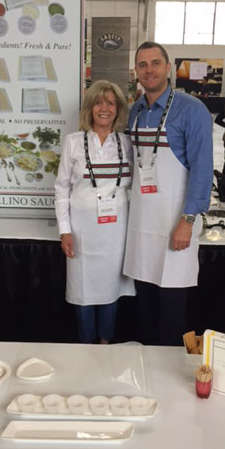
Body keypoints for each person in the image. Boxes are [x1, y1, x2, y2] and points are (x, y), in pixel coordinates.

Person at [123, 41, 213, 346]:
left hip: (176, 222)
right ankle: (148, 369)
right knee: (145, 305)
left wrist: (187, 220)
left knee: (172, 310)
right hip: (142, 224)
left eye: (155, 63)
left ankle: (171, 380)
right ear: (136, 70)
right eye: (143, 64)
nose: (149, 70)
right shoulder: (136, 109)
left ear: (168, 68)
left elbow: (202, 169)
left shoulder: (192, 110)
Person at [55, 80, 135, 344]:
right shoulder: (73, 142)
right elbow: (61, 189)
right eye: (98, 102)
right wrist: (64, 231)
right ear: (89, 108)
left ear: (118, 109)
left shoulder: (127, 143)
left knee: (111, 289)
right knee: (83, 291)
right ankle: (86, 345)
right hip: (81, 232)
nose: (104, 108)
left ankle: (105, 343)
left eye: (111, 103)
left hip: (116, 233)